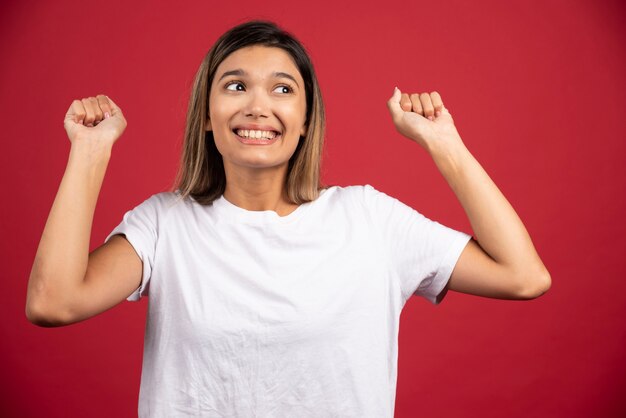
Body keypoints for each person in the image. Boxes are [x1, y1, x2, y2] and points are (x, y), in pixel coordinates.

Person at [26, 20, 550, 418]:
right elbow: (54, 302)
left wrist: (444, 143)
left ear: (304, 121)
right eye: (235, 86)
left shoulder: (368, 219)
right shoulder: (165, 224)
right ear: (207, 117)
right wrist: (90, 152)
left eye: (282, 89)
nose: (258, 106)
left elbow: (523, 276)